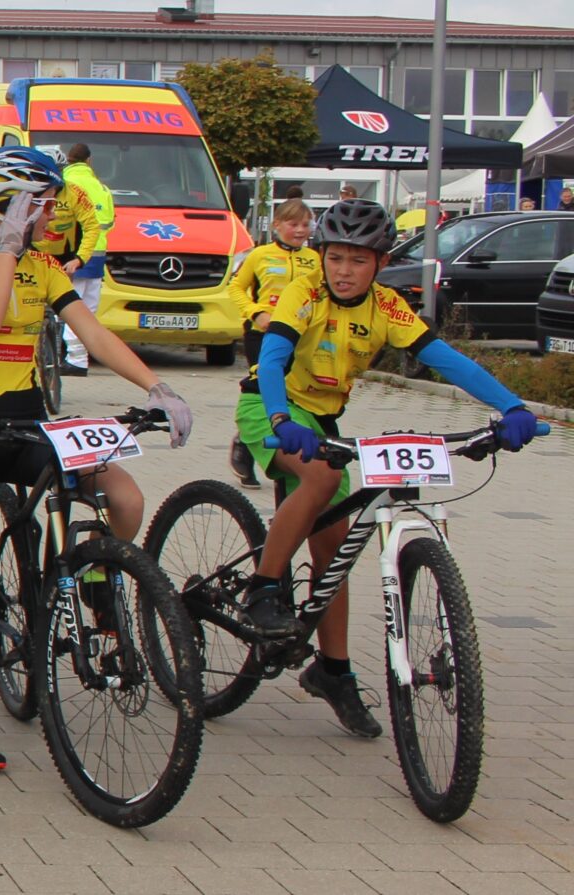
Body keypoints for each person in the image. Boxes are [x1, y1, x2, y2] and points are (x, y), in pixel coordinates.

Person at [0, 147, 193, 774]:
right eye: (42, 204)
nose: (53, 215)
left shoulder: (44, 265)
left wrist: (157, 386)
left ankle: (93, 575)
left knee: (124, 497)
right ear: (7, 204)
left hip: (31, 423)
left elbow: (92, 333)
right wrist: (6, 251)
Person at [236, 199, 541, 736]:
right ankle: (261, 590)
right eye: (335, 258)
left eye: (358, 260)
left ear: (380, 263)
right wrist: (281, 417)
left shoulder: (388, 306)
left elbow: (447, 360)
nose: (344, 271)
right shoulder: (304, 293)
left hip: (321, 420)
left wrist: (512, 407)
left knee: (332, 552)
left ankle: (333, 672)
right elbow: (274, 357)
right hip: (270, 405)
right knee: (324, 476)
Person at [222, 200, 319, 489]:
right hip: (263, 335)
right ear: (276, 225)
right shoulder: (260, 255)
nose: (300, 230)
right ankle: (245, 446)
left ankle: (287, 451)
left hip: (301, 337)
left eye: (305, 225)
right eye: (293, 224)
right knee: (264, 389)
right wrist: (256, 313)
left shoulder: (315, 259)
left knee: (293, 393)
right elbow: (235, 287)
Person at [54, 144, 115, 377]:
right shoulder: (101, 187)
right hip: (97, 255)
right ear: (89, 161)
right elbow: (110, 221)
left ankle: (73, 358)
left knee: (70, 307)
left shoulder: (65, 184)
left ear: (68, 160)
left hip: (73, 254)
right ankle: (80, 358)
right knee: (88, 310)